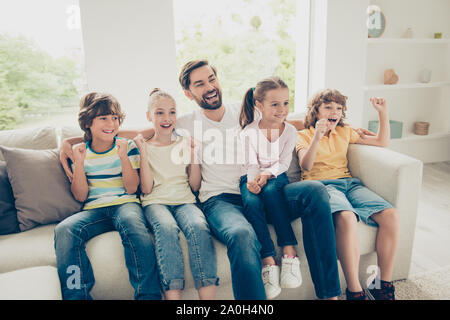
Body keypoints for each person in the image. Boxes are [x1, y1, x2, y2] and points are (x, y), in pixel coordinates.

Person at [59, 60, 372, 300]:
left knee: (316, 191)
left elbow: (286, 118)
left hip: (263, 190)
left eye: (211, 78)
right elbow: (131, 131)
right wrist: (67, 141)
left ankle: (329, 292)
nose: (209, 86)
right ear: (188, 93)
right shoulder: (183, 122)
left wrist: (345, 127)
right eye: (199, 83)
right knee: (242, 235)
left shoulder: (244, 111)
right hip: (221, 200)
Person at [54, 92, 161, 300]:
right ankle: (77, 295)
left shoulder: (127, 146)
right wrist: (79, 164)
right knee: (64, 229)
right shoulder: (81, 151)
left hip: (125, 204)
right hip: (95, 210)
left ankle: (148, 295)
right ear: (88, 122)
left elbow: (132, 189)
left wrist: (123, 158)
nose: (111, 123)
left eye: (115, 118)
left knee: (133, 225)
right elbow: (80, 195)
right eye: (103, 118)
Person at [296, 89, 399, 300]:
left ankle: (382, 286)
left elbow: (382, 142)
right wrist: (317, 136)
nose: (334, 111)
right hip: (321, 187)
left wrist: (382, 113)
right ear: (316, 111)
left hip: (349, 184)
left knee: (391, 215)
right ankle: (354, 290)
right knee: (346, 217)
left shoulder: (345, 132)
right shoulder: (303, 135)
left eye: (339, 108)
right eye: (328, 107)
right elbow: (305, 166)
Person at [134, 88, 218, 300]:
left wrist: (194, 155)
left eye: (172, 112)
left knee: (198, 226)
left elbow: (195, 185)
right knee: (166, 227)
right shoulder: (144, 146)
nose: (167, 118)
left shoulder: (184, 142)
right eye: (160, 113)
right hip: (155, 201)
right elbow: (145, 189)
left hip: (185, 200)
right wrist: (143, 153)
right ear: (149, 116)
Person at [238, 77, 301, 299]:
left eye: (286, 103)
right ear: (259, 105)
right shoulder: (248, 132)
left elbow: (283, 162)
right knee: (252, 202)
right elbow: (251, 164)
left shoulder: (290, 131)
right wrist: (254, 181)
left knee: (273, 191)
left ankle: (289, 249)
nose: (282, 109)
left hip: (276, 175)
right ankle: (267, 259)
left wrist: (267, 176)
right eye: (275, 104)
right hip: (252, 175)